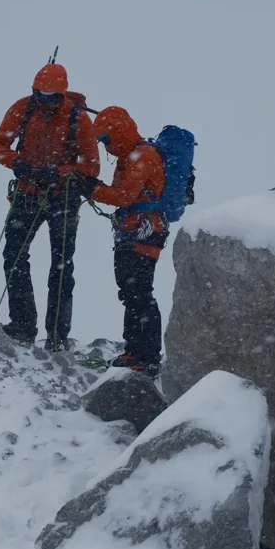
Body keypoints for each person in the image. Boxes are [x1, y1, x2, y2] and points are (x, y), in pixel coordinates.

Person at [0, 62, 100, 350]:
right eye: (40, 94)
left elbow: (92, 165)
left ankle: (57, 335)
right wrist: (17, 162)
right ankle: (23, 326)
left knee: (61, 266)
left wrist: (62, 172)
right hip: (28, 192)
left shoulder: (77, 119)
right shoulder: (23, 108)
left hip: (62, 197)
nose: (45, 101)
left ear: (62, 94)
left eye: (51, 96)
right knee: (14, 255)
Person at [78, 106, 167, 376]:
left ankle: (147, 356)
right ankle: (134, 350)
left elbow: (125, 196)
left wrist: (90, 188)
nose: (105, 144)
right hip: (132, 229)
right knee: (130, 291)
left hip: (144, 229)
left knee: (139, 291)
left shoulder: (143, 154)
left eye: (106, 138)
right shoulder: (131, 155)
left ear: (117, 132)